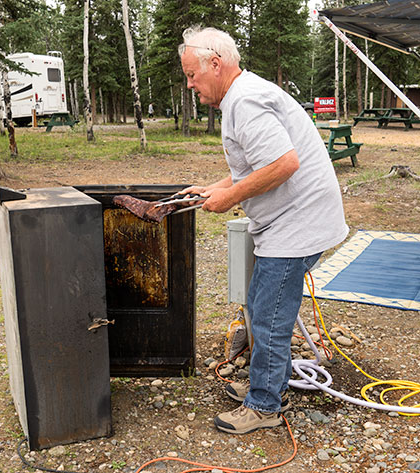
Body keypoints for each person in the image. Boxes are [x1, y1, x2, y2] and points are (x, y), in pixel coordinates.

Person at [178, 26, 348, 434]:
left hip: (298, 224)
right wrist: (214, 188)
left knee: (269, 315)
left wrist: (231, 198)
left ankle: (266, 405)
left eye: (191, 75)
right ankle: (269, 382)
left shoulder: (246, 101)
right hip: (291, 221)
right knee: (260, 306)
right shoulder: (242, 96)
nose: (190, 85)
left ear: (215, 65)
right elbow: (257, 165)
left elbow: (285, 164)